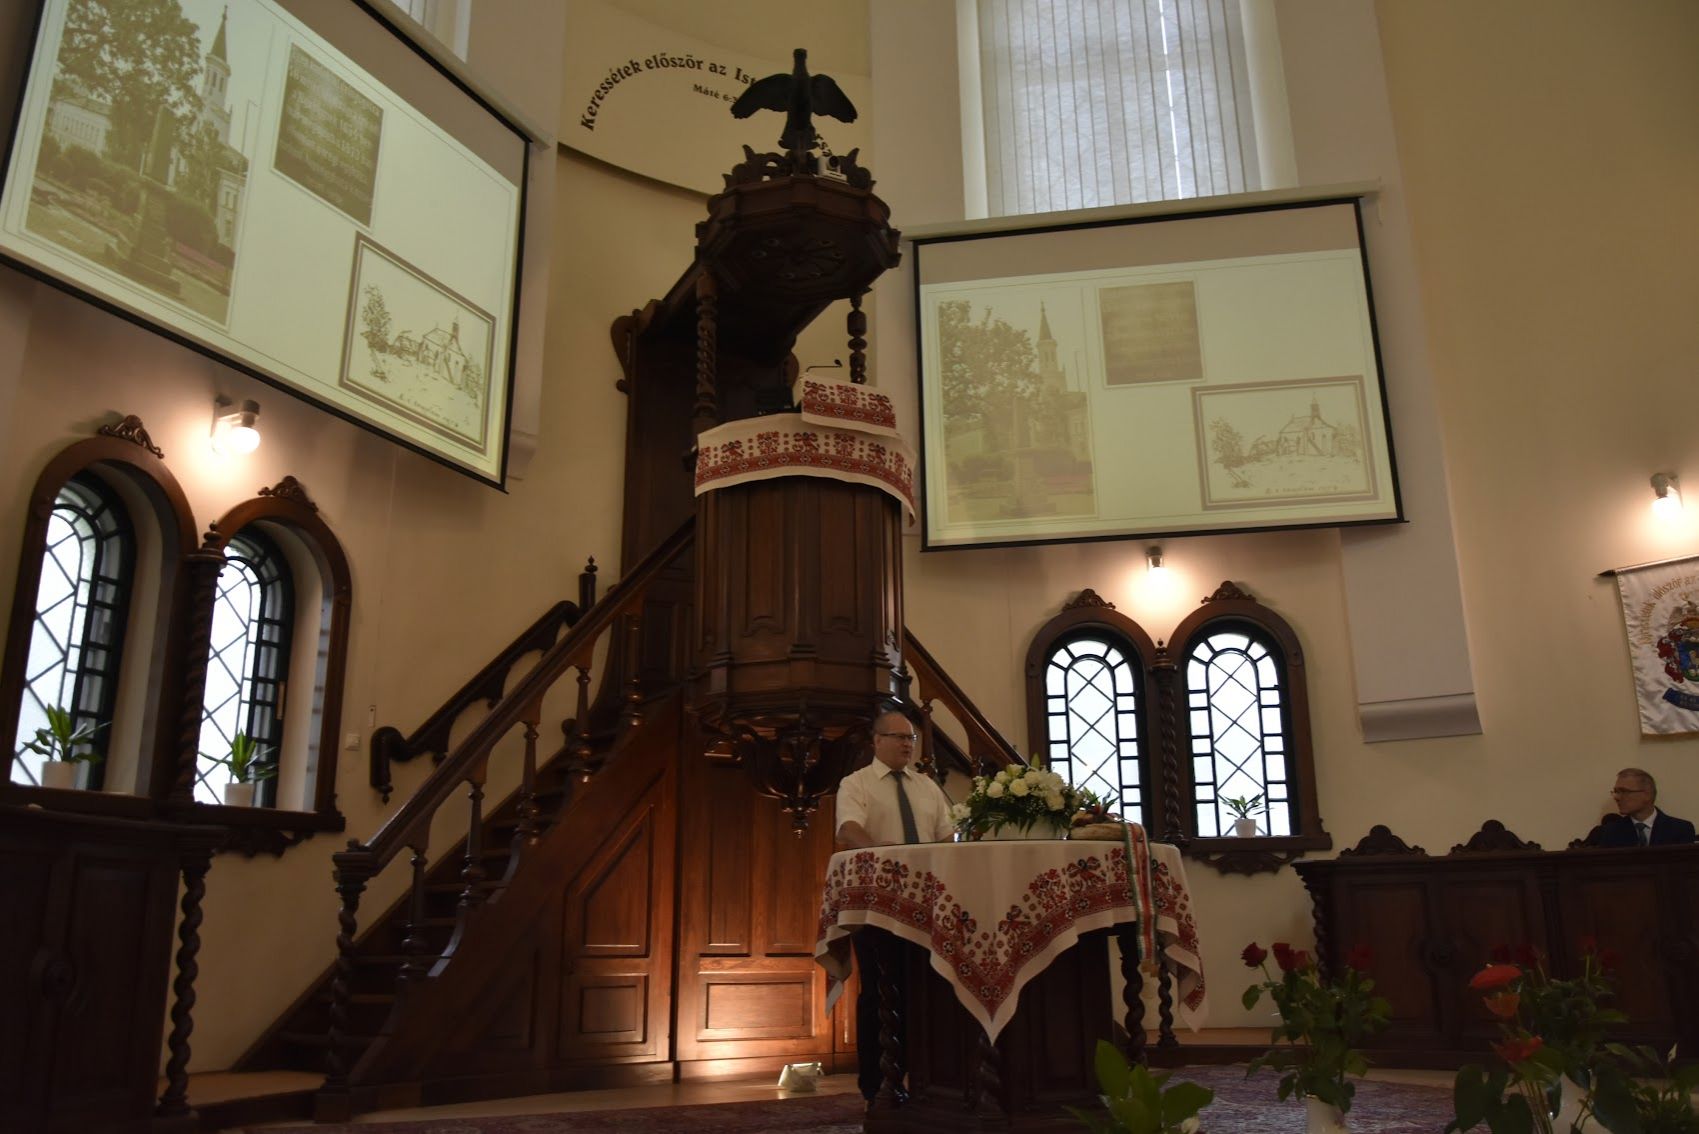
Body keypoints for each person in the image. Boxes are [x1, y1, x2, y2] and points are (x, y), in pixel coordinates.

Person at [834, 704, 955, 1106]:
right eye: (900, 737)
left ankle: (926, 1079)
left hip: (927, 904)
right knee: (880, 991)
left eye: (912, 738)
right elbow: (848, 828)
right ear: (877, 741)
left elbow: (946, 836)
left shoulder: (927, 786)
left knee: (927, 989)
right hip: (878, 904)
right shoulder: (856, 783)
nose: (908, 745)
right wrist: (884, 856)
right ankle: (877, 1085)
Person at [1587, 768, 1697, 847]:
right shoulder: (1609, 832)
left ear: (1647, 795)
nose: (1617, 797)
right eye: (1616, 792)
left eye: (1624, 791)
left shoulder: (1680, 829)